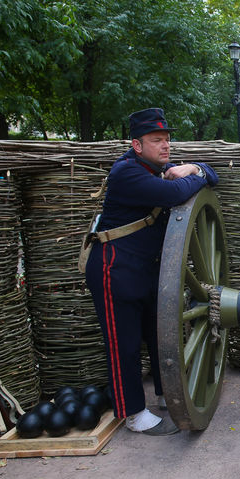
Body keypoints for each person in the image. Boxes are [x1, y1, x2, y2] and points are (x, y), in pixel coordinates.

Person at [85, 108, 219, 436]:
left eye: (167, 140)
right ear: (136, 144)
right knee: (124, 344)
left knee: (160, 336)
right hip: (114, 268)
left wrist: (194, 167)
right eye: (156, 140)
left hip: (146, 269)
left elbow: (212, 176)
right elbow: (174, 194)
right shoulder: (127, 173)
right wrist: (192, 174)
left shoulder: (158, 168)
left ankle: (165, 395)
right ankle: (132, 414)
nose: (165, 146)